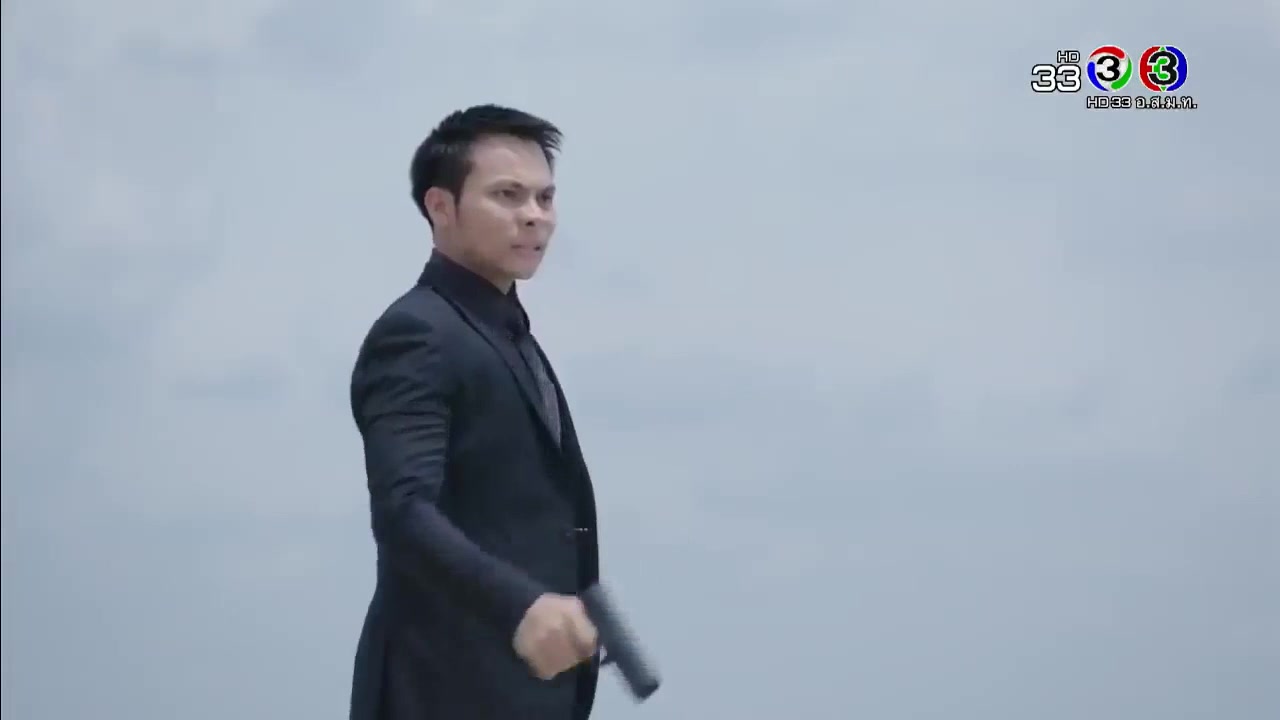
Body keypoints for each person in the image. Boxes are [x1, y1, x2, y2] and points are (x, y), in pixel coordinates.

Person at [347, 105, 603, 719]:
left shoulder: (507, 334)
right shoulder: (417, 333)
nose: (534, 215)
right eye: (507, 195)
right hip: (442, 691)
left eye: (545, 197)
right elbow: (404, 512)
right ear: (441, 206)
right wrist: (522, 607)